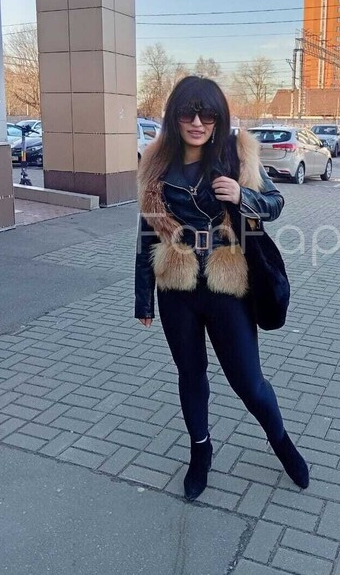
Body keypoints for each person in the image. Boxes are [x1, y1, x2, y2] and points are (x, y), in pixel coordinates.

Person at [134, 76, 309, 501]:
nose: (197, 123)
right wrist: (143, 298)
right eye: (188, 113)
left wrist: (241, 196)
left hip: (228, 282)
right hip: (176, 286)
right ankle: (201, 451)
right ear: (174, 117)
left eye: (207, 114)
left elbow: (276, 203)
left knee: (248, 381)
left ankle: (281, 442)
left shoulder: (236, 152)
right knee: (190, 374)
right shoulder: (157, 161)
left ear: (218, 118)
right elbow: (147, 232)